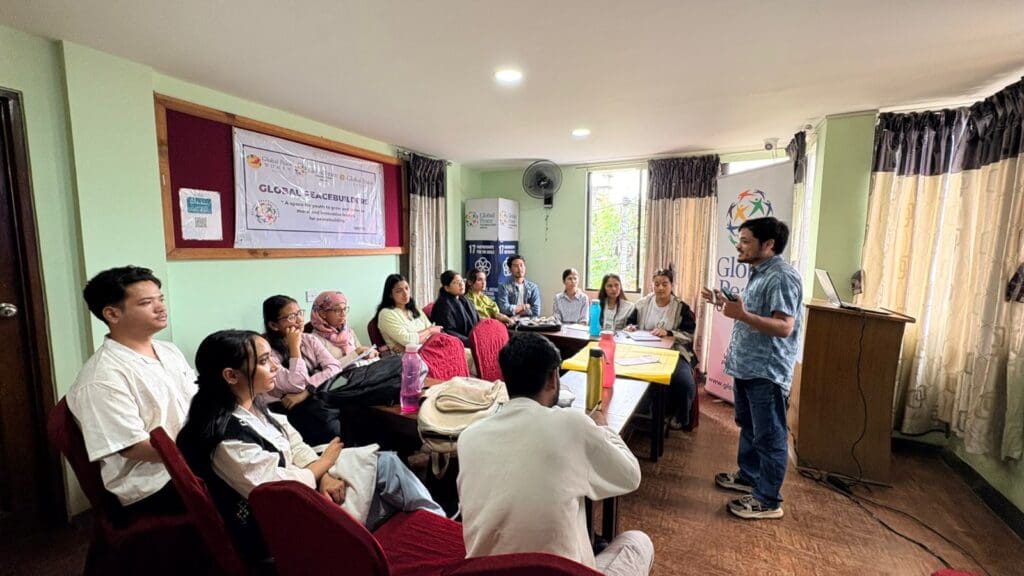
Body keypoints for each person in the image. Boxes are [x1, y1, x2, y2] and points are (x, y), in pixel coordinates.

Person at [177, 330, 444, 561]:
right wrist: (323, 465)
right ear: (231, 375)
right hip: (279, 530)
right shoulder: (226, 437)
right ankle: (430, 530)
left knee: (386, 466)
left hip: (302, 487)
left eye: (270, 357)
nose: (274, 366)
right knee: (387, 480)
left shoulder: (252, 406)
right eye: (262, 361)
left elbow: (293, 440)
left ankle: (432, 523)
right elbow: (278, 490)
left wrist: (323, 474)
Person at [457, 333, 654, 575]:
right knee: (638, 541)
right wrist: (603, 428)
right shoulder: (572, 424)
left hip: (484, 570)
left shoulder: (468, 438)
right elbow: (631, 475)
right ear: (553, 378)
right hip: (563, 570)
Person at [67, 265, 197, 518]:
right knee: (248, 489)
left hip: (191, 460)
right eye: (147, 302)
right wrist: (202, 450)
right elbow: (133, 447)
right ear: (112, 314)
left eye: (161, 299)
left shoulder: (168, 351)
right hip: (153, 484)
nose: (161, 307)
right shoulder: (101, 378)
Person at [702, 217, 802, 520]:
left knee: (770, 436)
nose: (739, 246)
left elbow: (784, 327)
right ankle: (748, 475)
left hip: (766, 371)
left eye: (746, 241)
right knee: (748, 425)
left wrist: (742, 315)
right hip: (747, 366)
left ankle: (768, 499)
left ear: (768, 245)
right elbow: (753, 312)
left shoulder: (782, 277)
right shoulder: (760, 273)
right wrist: (727, 304)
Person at [262, 295, 343, 446]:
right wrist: (294, 347)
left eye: (300, 313)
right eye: (291, 317)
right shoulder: (267, 351)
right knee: (329, 427)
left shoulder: (309, 339)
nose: (299, 320)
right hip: (282, 406)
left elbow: (335, 367)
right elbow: (296, 384)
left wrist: (307, 391)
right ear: (274, 325)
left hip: (309, 397)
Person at [626, 266, 697, 430]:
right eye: (656, 284)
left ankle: (681, 417)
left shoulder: (681, 307)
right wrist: (631, 327)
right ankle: (639, 413)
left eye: (665, 284)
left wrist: (669, 332)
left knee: (684, 382)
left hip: (674, 352)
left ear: (672, 285)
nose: (660, 288)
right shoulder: (642, 303)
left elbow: (689, 334)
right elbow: (631, 323)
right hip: (644, 350)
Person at [375, 273, 443, 351]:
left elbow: (434, 332)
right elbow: (409, 341)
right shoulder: (386, 314)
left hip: (429, 350)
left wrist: (415, 339)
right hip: (405, 358)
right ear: (390, 295)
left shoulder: (414, 309)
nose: (405, 293)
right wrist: (429, 331)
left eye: (406, 288)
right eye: (399, 291)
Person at [429, 270, 480, 345]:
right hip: (455, 343)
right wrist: (471, 342)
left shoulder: (464, 300)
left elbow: (477, 321)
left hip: (470, 340)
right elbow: (447, 331)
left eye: (462, 281)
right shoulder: (443, 305)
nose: (461, 284)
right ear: (447, 288)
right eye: (455, 282)